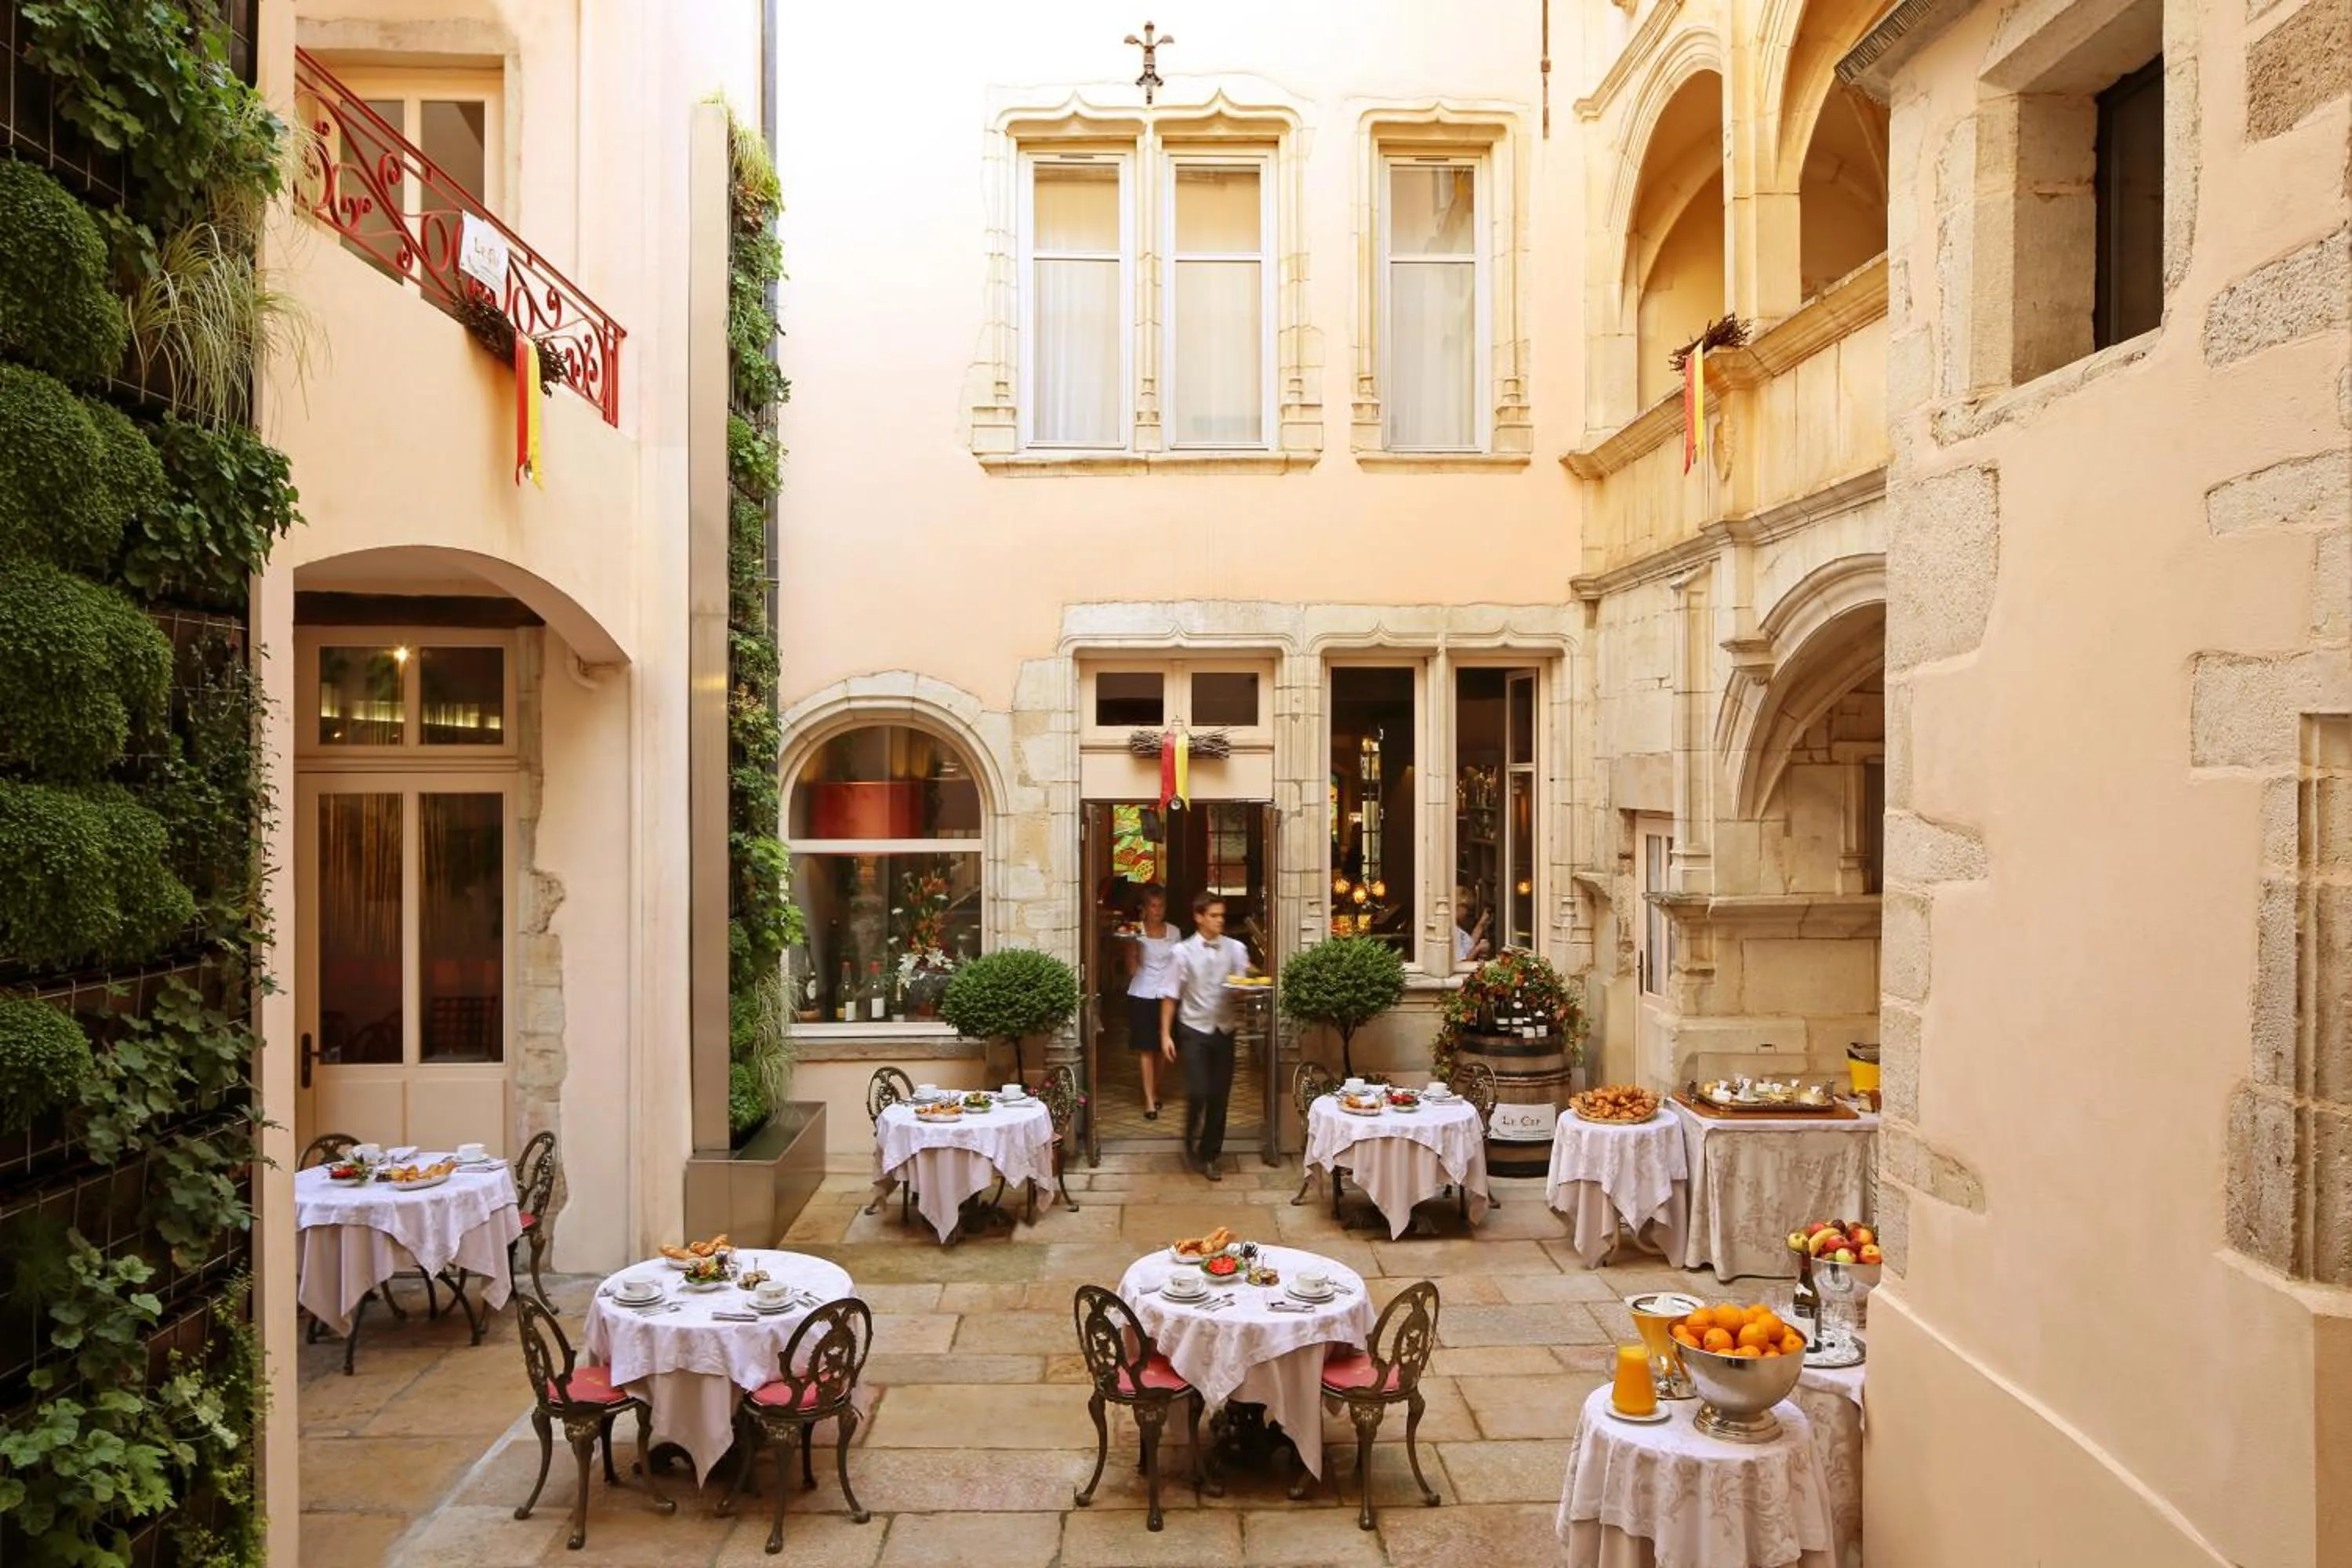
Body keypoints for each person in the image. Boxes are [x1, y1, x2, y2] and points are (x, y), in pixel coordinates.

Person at [1157, 891, 1254, 1181]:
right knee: (1199, 1091)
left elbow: (1241, 986)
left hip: (1224, 1028)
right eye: (1213, 915)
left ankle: (1210, 1154)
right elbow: (1170, 995)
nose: (1220, 921)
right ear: (1199, 917)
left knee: (1220, 1096)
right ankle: (1189, 1135)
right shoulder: (1182, 952)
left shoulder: (1236, 949)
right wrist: (1165, 1034)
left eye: (1222, 915)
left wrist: (1243, 987)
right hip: (1194, 1029)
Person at [1122, 884, 1181, 1120]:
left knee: (1162, 1049)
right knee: (1146, 1049)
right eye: (1153, 906)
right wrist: (1131, 946)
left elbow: (1179, 966)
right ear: (1144, 909)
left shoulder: (1174, 932)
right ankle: (1148, 1099)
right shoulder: (1135, 931)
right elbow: (1132, 970)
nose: (1158, 911)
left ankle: (1154, 1088)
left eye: (1161, 906)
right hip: (1142, 993)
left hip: (1166, 995)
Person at [1454, 884, 1492, 967]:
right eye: (1466, 908)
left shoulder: (1457, 928)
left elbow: (1469, 945)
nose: (1467, 912)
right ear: (1457, 906)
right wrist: (1478, 949)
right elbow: (1461, 964)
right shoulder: (1454, 931)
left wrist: (1481, 924)